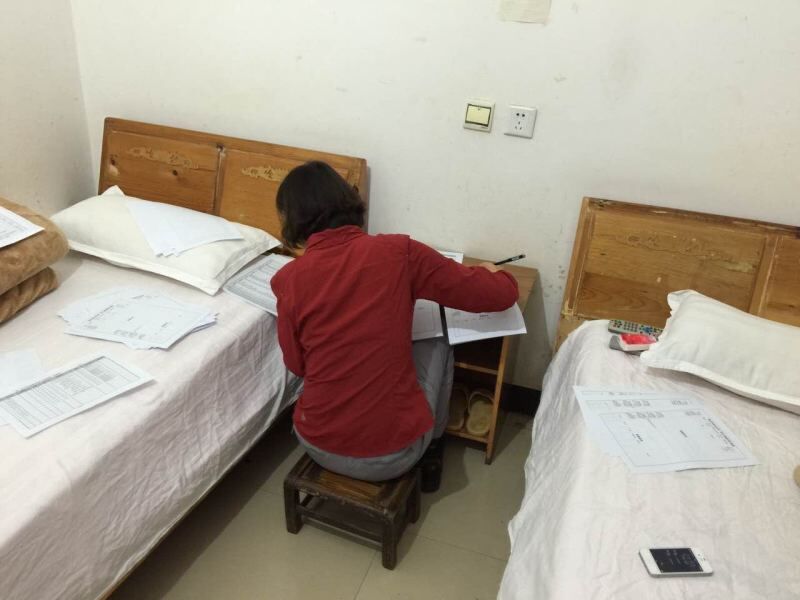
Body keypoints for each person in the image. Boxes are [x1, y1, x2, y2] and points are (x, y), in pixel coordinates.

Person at [271, 161, 518, 491]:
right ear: (347, 201)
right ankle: (433, 449)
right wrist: (495, 274)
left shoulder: (287, 279)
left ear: (291, 220)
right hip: (394, 454)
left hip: (316, 442)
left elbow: (297, 365)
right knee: (439, 337)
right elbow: (499, 295)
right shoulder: (399, 252)